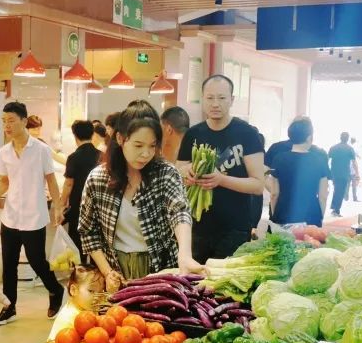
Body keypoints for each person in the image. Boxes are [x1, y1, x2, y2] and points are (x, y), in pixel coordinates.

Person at [80, 104, 202, 290]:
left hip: (161, 270)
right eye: (138, 145)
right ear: (120, 139)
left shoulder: (165, 174)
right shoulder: (98, 179)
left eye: (152, 146)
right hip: (116, 270)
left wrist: (184, 254)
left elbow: (179, 211)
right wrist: (107, 272)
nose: (146, 154)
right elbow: (88, 231)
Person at [0, 101, 66, 324]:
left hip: (34, 216)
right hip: (10, 216)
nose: (7, 125)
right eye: (4, 121)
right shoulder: (4, 152)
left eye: (11, 120)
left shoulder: (41, 149)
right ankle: (9, 306)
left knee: (37, 262)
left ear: (24, 121)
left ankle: (55, 290)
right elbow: (4, 182)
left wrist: (58, 207)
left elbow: (51, 181)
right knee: (9, 265)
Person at [178, 75, 265, 262]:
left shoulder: (247, 133)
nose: (215, 104)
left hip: (234, 228)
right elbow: (178, 172)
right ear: (202, 99)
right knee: (194, 285)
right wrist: (187, 172)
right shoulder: (193, 134)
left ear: (232, 100)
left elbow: (258, 185)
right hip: (196, 227)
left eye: (222, 98)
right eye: (210, 98)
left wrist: (222, 180)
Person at [267, 117, 329, 227]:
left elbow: (274, 193)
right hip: (311, 215)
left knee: (283, 244)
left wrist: (275, 213)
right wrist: (320, 216)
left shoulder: (279, 159)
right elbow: (323, 195)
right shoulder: (319, 160)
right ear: (309, 138)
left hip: (283, 214)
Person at [60, 120, 100, 262]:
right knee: (97, 245)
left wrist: (61, 205)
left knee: (77, 246)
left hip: (78, 207)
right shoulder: (101, 156)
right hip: (97, 208)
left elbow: (69, 184)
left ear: (74, 135)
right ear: (92, 134)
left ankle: (79, 277)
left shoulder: (73, 157)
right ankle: (96, 278)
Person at [48, 265, 106, 340]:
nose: (98, 296)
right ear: (73, 290)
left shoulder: (89, 307)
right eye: (91, 291)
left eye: (101, 291)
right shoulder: (68, 318)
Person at [328, 131, 357, 217]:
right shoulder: (349, 149)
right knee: (340, 191)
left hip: (334, 172)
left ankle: (334, 208)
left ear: (340, 137)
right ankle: (336, 209)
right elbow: (354, 162)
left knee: (337, 189)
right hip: (344, 173)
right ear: (347, 139)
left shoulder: (333, 148)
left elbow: (327, 159)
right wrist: (357, 173)